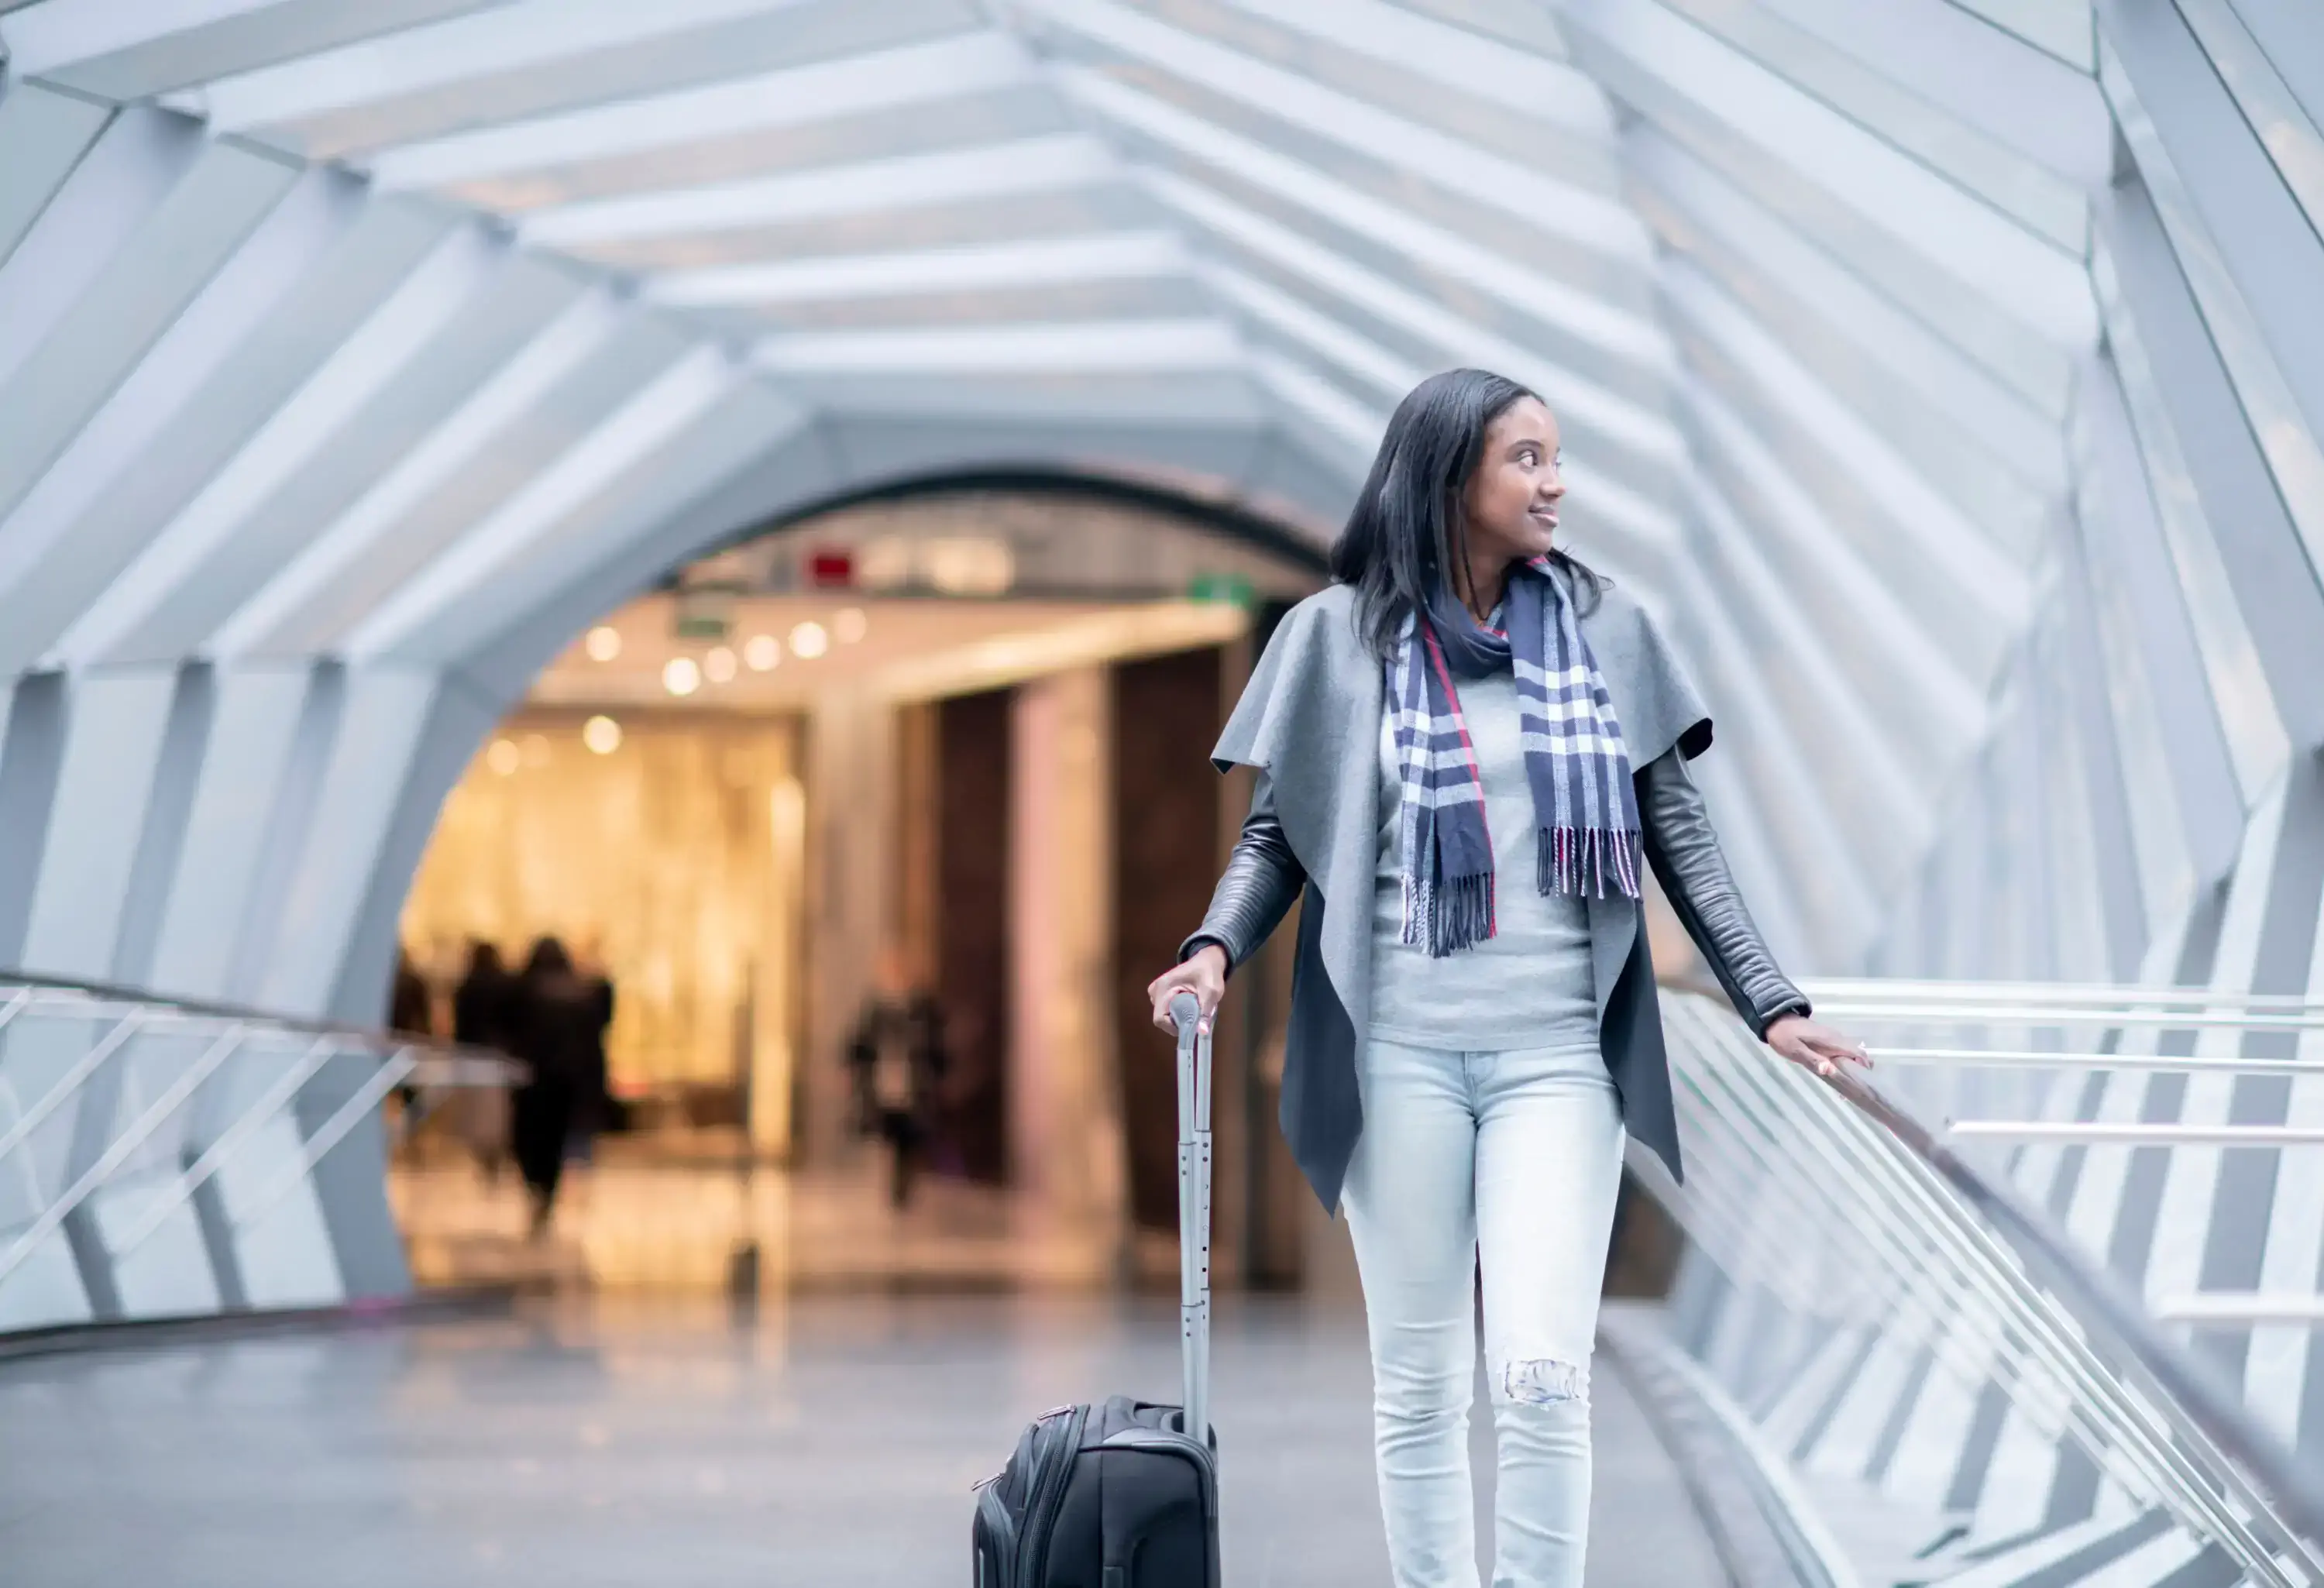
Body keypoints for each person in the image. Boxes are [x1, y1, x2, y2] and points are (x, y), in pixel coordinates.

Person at [1146, 370, 1867, 1588]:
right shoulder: (1336, 636)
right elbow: (1284, 833)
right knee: (1421, 1387)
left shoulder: (1604, 627)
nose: (1556, 482)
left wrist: (1771, 999)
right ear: (1448, 479)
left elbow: (1675, 831)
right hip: (1398, 1059)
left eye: (1558, 457)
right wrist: (1214, 949)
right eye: (1527, 459)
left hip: (1557, 1060)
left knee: (1541, 1372)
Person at [509, 937, 598, 1238]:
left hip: (533, 1079)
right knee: (556, 1139)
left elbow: (513, 1033)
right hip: (565, 1081)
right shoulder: (578, 994)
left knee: (532, 1138)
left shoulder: (525, 992)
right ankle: (546, 1188)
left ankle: (537, 1185)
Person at [846, 947, 947, 1209]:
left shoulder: (922, 1007)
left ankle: (904, 1184)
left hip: (913, 1081)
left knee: (910, 1135)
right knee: (889, 1131)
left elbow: (937, 1045)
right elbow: (859, 1043)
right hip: (885, 1080)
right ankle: (895, 1184)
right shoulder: (876, 1008)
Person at [452, 941, 517, 1181]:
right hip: (499, 1053)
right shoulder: (506, 984)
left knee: (477, 1110)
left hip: (473, 1053)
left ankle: (485, 1155)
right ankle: (495, 1151)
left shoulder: (467, 987)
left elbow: (461, 1024)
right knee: (497, 1109)